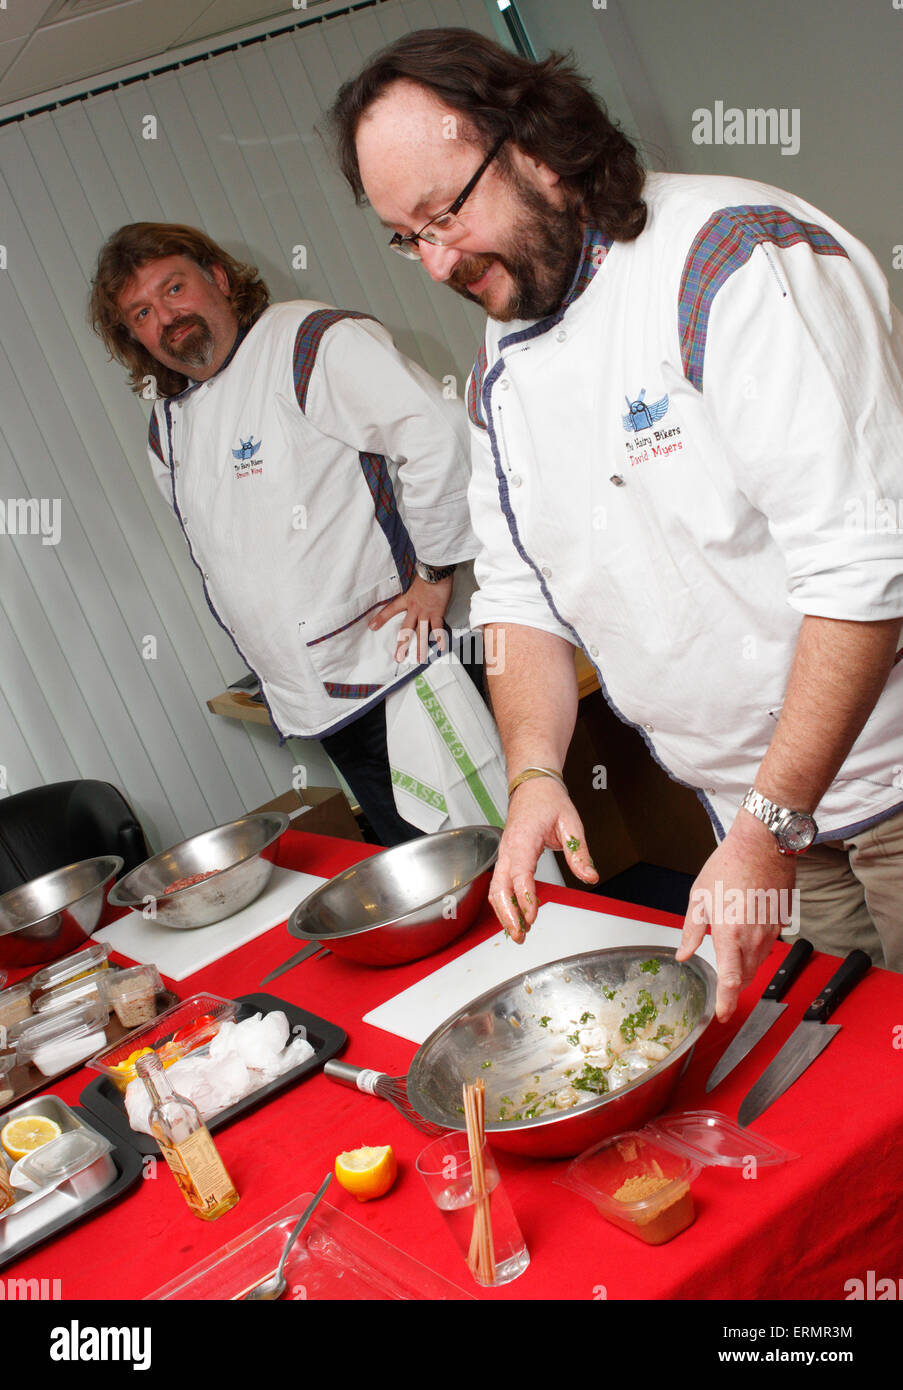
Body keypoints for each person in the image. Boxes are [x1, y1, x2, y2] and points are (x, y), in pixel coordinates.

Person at [329, 28, 903, 1019]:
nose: (432, 263)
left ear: (542, 151)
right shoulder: (503, 369)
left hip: (877, 793)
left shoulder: (727, 261)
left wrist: (765, 829)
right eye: (406, 236)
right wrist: (534, 773)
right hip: (764, 828)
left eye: (443, 216)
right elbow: (517, 599)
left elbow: (864, 571)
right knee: (851, 1083)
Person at [89, 222, 481, 846]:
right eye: (141, 311)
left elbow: (441, 438)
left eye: (174, 288)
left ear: (218, 277)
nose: (166, 316)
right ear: (130, 335)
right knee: (423, 877)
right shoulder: (168, 428)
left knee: (492, 858)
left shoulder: (308, 341)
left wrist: (435, 578)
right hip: (323, 707)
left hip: (406, 672)